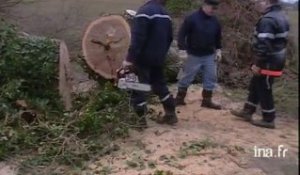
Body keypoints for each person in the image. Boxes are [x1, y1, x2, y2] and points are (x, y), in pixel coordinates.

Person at [231, 0, 290, 129]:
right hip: (275, 59)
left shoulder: (268, 20)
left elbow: (264, 44)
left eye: (260, 1)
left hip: (269, 61)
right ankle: (248, 111)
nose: (257, 3)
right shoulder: (281, 16)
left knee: (264, 88)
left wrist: (257, 63)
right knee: (255, 84)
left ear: (268, 2)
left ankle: (269, 119)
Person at [122, 0, 178, 127]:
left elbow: (138, 38)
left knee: (138, 87)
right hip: (158, 57)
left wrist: (129, 59)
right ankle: (171, 114)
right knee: (160, 85)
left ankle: (139, 120)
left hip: (143, 59)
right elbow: (169, 38)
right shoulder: (166, 14)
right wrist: (161, 53)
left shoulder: (144, 12)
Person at [175, 0, 222, 110]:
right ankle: (179, 98)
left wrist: (219, 49)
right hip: (193, 54)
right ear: (204, 5)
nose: (213, 10)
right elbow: (181, 34)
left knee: (211, 77)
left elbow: (218, 37)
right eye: (212, 7)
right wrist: (182, 49)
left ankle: (207, 100)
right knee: (186, 77)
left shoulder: (215, 21)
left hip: (209, 54)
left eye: (215, 8)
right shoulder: (192, 18)